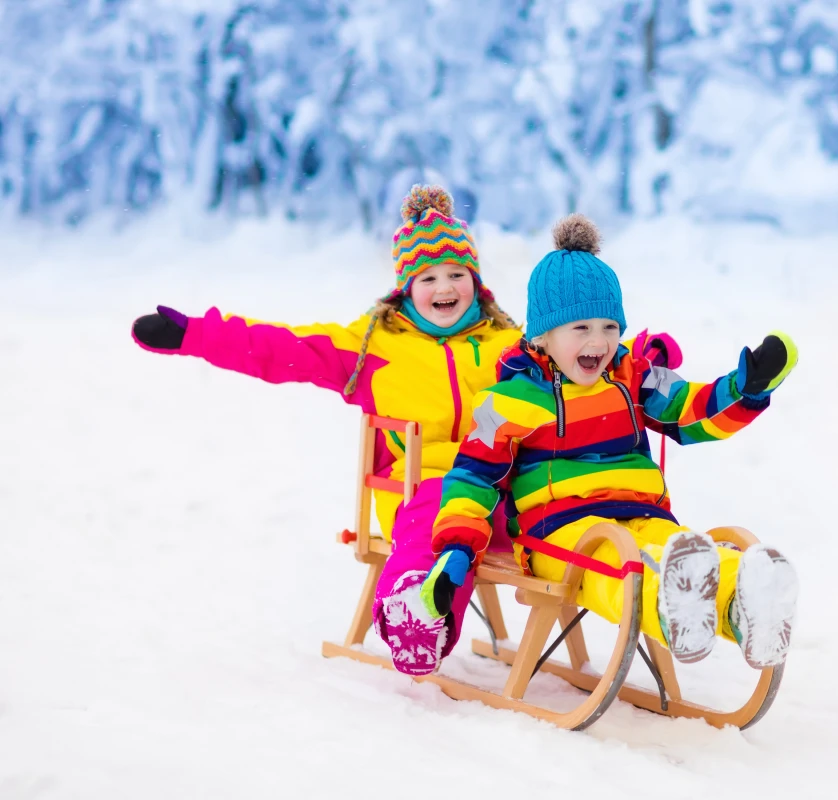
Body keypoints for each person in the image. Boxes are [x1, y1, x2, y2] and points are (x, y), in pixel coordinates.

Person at [130, 188, 681, 675]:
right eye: (429, 278)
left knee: (571, 508)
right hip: (429, 489)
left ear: (476, 282)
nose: (445, 288)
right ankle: (419, 611)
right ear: (405, 288)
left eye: (457, 275)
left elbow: (590, 355)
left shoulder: (510, 344)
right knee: (441, 510)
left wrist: (651, 358)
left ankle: (660, 586)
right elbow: (282, 347)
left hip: (516, 490)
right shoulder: (376, 347)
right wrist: (193, 334)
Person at [421, 213, 799, 670]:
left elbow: (689, 412)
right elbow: (472, 478)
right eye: (581, 328)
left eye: (610, 327)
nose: (598, 342)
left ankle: (746, 602)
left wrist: (744, 387)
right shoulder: (506, 401)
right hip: (558, 531)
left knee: (675, 545)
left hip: (642, 513)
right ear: (543, 335)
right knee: (618, 565)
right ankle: (669, 606)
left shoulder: (633, 378)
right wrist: (456, 549)